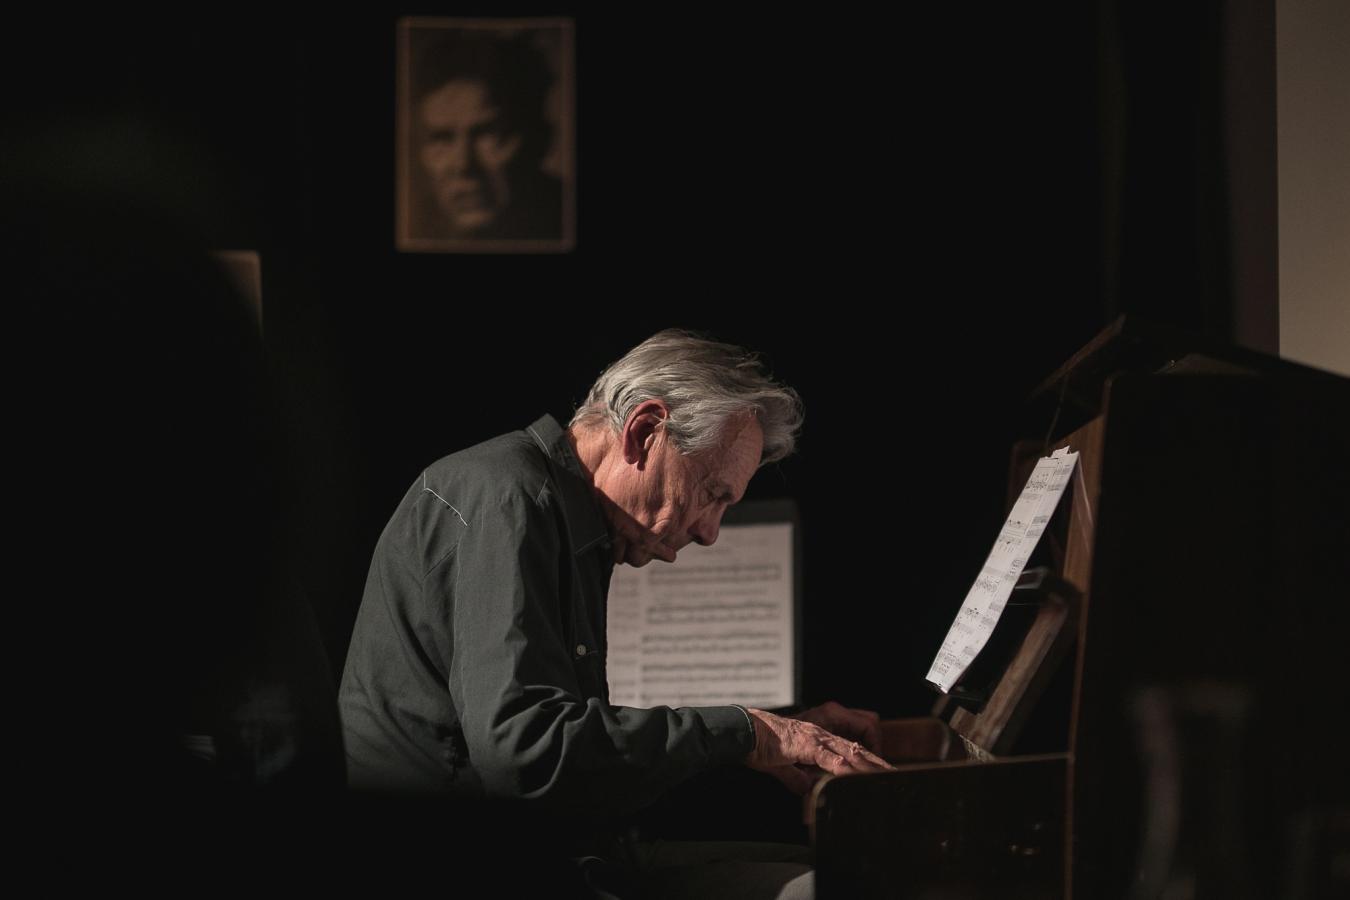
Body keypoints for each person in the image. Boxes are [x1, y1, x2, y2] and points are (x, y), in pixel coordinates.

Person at [338, 330, 892, 897]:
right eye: (712, 493)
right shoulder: (510, 499)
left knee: (854, 874)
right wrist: (746, 733)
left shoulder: (558, 508)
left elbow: (569, 751)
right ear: (644, 433)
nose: (709, 532)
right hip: (460, 867)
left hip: (553, 848)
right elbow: (526, 755)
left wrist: (775, 736)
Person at [407, 27, 564, 242]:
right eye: (441, 138)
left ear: (540, 139)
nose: (463, 165)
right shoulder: (415, 225)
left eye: (488, 134)